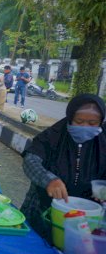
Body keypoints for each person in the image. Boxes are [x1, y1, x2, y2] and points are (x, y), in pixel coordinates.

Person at [20, 94, 106, 242]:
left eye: (93, 123)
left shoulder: (103, 143)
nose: (85, 127)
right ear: (70, 117)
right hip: (42, 209)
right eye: (79, 121)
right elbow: (30, 160)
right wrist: (49, 180)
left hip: (86, 218)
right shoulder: (53, 136)